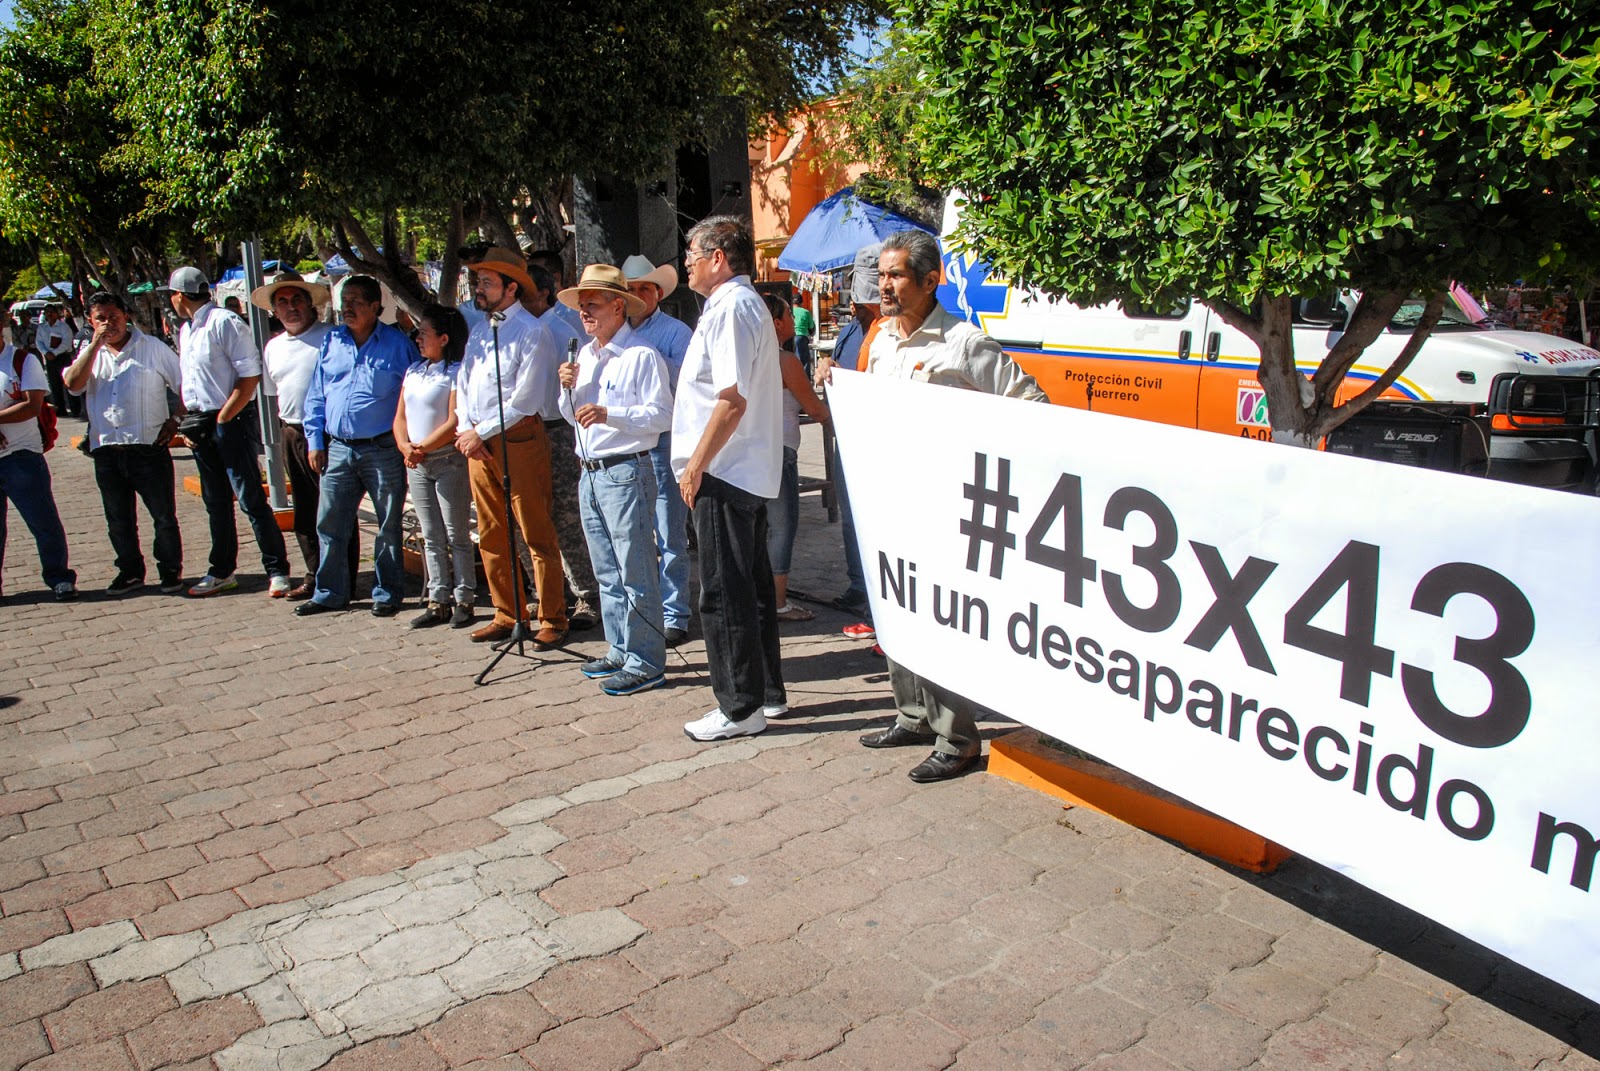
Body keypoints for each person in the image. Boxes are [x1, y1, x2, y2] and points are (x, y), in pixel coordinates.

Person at [837, 229, 1049, 783]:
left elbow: (1032, 405)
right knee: (895, 607)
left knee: (936, 618)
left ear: (931, 281)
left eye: (896, 275)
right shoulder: (883, 339)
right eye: (882, 275)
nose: (884, 285)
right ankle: (912, 715)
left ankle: (957, 738)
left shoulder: (964, 343)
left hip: (941, 506)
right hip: (888, 498)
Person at [673, 217, 786, 742]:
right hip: (739, 468)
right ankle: (765, 695)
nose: (687, 264)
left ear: (718, 257)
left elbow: (730, 399)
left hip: (724, 470)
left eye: (692, 255)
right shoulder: (739, 305)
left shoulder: (731, 308)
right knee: (752, 589)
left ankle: (740, 708)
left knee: (723, 594)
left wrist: (696, 464)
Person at [556, 265, 673, 695]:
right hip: (589, 471)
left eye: (592, 303)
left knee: (634, 569)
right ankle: (621, 648)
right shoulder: (584, 356)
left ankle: (646, 661)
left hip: (625, 470)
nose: (584, 312)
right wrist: (566, 389)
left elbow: (662, 415)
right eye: (581, 305)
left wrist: (610, 414)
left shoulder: (641, 355)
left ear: (618, 306)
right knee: (606, 570)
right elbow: (572, 416)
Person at [455, 246, 568, 646]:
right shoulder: (481, 331)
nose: (479, 288)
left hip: (517, 438)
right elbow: (463, 384)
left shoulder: (532, 332)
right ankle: (508, 612)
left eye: (487, 282)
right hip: (478, 442)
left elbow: (526, 399)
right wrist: (467, 429)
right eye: (478, 281)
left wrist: (480, 431)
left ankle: (552, 616)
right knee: (490, 531)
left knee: (535, 529)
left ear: (511, 288)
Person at [162, 265, 292, 597]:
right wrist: (185, 419)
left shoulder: (224, 322)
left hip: (229, 419)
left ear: (180, 296)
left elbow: (250, 374)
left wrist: (223, 418)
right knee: (216, 501)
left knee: (251, 498)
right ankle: (221, 569)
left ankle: (277, 569)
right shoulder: (187, 330)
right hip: (200, 422)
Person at [294, 276, 415, 617]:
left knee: (387, 524)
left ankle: (387, 593)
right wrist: (315, 441)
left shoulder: (398, 345)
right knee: (330, 523)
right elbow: (316, 394)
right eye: (344, 301)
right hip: (338, 448)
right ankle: (330, 593)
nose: (347, 308)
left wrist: (407, 442)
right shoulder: (332, 341)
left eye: (355, 302)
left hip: (383, 448)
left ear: (375, 307)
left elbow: (414, 395)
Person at [62, 292, 184, 596]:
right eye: (100, 319)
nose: (108, 324)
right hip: (107, 450)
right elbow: (73, 385)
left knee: (163, 517)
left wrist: (175, 421)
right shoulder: (91, 353)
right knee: (118, 520)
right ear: (90, 322)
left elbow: (186, 385)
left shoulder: (152, 347)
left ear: (125, 316)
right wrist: (94, 346)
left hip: (147, 448)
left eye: (114, 317)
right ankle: (130, 572)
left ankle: (170, 570)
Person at [253, 270, 356, 600]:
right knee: (306, 510)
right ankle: (315, 575)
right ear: (275, 310)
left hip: (328, 433)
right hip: (291, 431)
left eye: (297, 299)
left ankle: (344, 578)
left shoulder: (333, 337)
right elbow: (275, 392)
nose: (291, 307)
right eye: (282, 302)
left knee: (336, 510)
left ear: (310, 303)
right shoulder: (273, 347)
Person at [521, 263, 599, 631]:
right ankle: (548, 591)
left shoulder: (561, 333)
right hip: (522, 431)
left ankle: (587, 593)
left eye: (524, 293)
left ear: (542, 294)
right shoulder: (516, 332)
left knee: (566, 518)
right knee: (529, 517)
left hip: (557, 430)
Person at [622, 254, 694, 645]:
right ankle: (644, 609)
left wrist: (645, 357)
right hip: (628, 441)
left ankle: (674, 613)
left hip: (664, 440)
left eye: (642, 289)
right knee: (632, 532)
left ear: (657, 293)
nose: (636, 295)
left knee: (669, 531)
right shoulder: (614, 333)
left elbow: (685, 384)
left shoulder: (676, 333)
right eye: (629, 290)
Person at [814, 242, 882, 635]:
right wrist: (827, 366)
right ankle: (860, 586)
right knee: (852, 520)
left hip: (877, 445)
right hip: (848, 440)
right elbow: (840, 368)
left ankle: (878, 604)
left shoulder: (890, 330)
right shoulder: (852, 329)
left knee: (875, 523)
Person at [395, 304, 476, 629]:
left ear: (443, 338)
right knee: (430, 534)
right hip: (417, 464)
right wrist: (406, 446)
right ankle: (438, 598)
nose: (418, 339)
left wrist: (423, 448)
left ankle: (465, 597)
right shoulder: (414, 371)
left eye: (424, 334)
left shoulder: (455, 372)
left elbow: (454, 419)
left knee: (456, 533)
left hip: (447, 461)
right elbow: (400, 416)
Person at [760, 292, 829, 622]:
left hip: (751, 454)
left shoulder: (746, 358)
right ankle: (778, 602)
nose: (793, 319)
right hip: (780, 452)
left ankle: (761, 598)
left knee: (759, 529)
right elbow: (815, 410)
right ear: (776, 323)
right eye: (789, 314)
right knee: (781, 528)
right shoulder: (784, 360)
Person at [0, 309, 75, 601]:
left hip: (21, 456)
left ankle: (59, 578)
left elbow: (32, 406)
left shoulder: (21, 360)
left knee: (43, 522)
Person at [35, 305, 78, 418]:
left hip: (62, 357)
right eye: (47, 312)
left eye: (52, 312)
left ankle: (75, 409)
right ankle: (61, 409)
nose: (49, 314)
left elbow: (67, 342)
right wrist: (46, 353)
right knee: (55, 385)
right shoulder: (42, 328)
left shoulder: (63, 326)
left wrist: (55, 353)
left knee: (68, 383)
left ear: (57, 313)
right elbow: (39, 342)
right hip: (50, 359)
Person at [790, 293, 815, 371]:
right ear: (802, 303)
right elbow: (811, 327)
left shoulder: (789, 311)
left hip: (790, 338)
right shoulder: (805, 312)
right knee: (804, 362)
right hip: (801, 338)